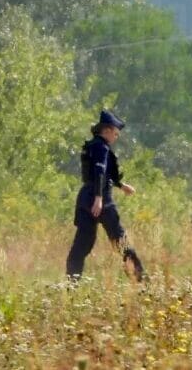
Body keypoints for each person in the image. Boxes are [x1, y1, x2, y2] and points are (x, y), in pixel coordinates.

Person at [66, 109, 145, 280]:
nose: (116, 137)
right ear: (107, 130)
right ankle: (142, 283)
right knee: (121, 242)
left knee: (81, 246)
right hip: (100, 199)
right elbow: (99, 171)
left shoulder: (93, 145)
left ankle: (71, 285)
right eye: (115, 133)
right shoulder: (101, 147)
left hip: (85, 198)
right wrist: (99, 198)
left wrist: (121, 185)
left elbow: (102, 174)